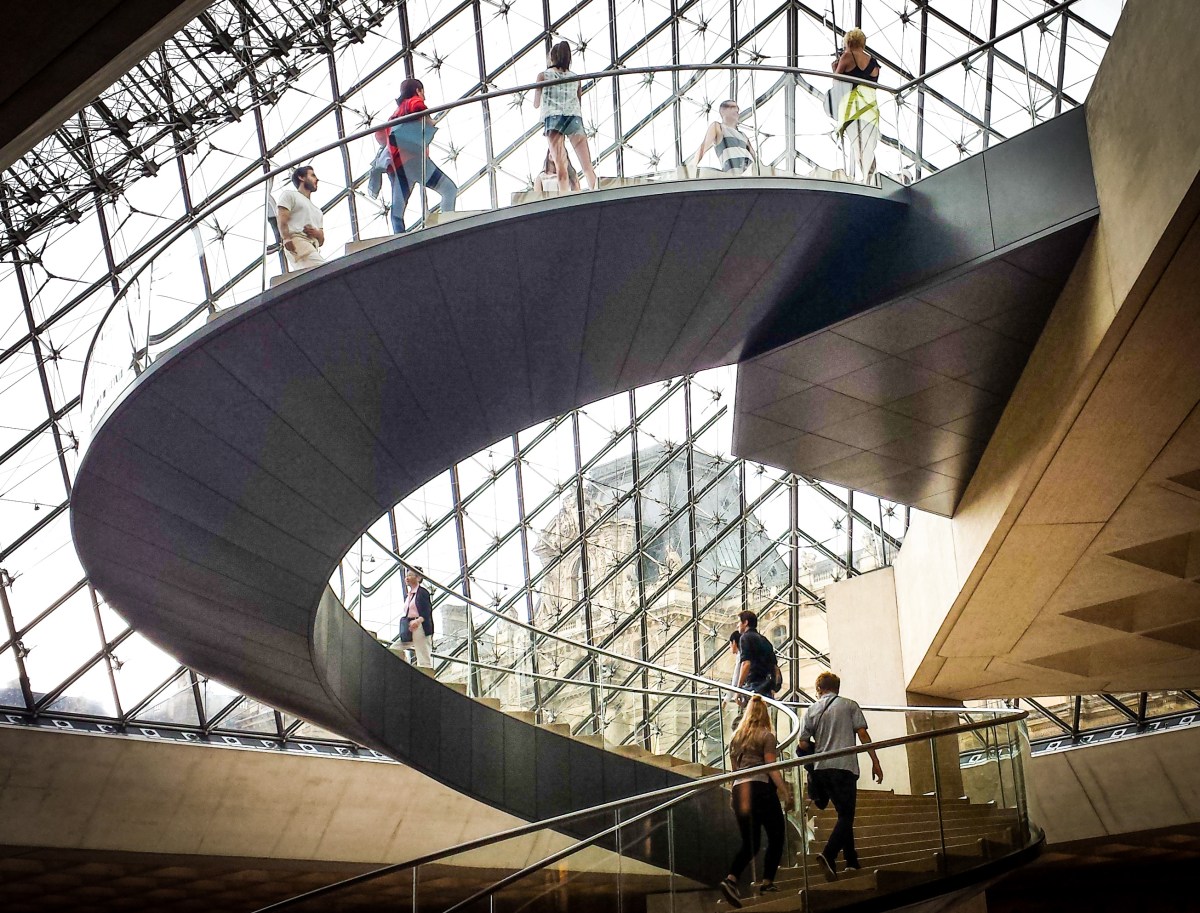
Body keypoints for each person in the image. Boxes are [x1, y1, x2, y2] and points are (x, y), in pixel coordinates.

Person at [797, 671, 883, 881]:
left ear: (819, 689)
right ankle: (829, 854)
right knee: (846, 816)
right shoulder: (849, 705)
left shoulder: (810, 710)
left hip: (821, 770)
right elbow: (862, 734)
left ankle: (851, 861)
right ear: (837, 687)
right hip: (844, 767)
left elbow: (802, 743)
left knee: (843, 814)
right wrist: (875, 761)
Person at [719, 694, 794, 907]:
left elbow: (734, 772)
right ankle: (767, 881)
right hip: (760, 788)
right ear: (765, 713)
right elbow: (769, 766)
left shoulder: (736, 737)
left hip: (740, 789)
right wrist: (785, 791)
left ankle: (731, 879)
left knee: (750, 842)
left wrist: (733, 795)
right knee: (777, 834)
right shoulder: (767, 735)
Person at [383, 78, 458, 232]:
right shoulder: (413, 102)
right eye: (422, 92)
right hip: (415, 160)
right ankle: (448, 225)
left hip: (397, 165)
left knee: (397, 210)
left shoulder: (394, 115)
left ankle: (399, 237)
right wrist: (429, 119)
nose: (424, 96)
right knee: (449, 189)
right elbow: (418, 106)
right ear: (418, 90)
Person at [533, 41, 597, 192]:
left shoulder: (543, 76)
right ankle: (596, 192)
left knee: (561, 167)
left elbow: (536, 104)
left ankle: (563, 199)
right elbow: (578, 102)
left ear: (552, 57)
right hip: (574, 117)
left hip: (553, 119)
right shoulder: (576, 78)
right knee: (587, 166)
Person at [831, 28, 881, 181]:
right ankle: (872, 175)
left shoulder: (847, 56)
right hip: (870, 108)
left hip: (853, 108)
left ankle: (870, 177)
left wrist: (834, 68)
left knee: (858, 144)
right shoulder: (873, 63)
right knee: (866, 144)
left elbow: (836, 80)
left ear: (849, 41)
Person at [275, 165, 325, 269]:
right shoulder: (290, 195)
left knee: (321, 271)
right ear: (301, 177)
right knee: (325, 270)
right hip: (298, 241)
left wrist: (316, 232)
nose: (317, 179)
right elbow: (282, 218)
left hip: (312, 246)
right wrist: (286, 238)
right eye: (312, 175)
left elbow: (321, 240)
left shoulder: (318, 211)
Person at [692, 100, 755, 175]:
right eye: (733, 107)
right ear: (723, 111)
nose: (737, 109)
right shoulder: (718, 127)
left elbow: (755, 157)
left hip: (751, 174)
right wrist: (691, 167)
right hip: (735, 176)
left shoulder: (743, 135)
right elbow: (704, 147)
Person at [398, 566, 434, 668]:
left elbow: (427, 610)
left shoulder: (422, 592)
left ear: (418, 578)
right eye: (406, 576)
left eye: (410, 575)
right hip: (409, 626)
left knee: (423, 657)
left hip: (420, 626)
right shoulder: (409, 595)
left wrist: (418, 621)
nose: (407, 578)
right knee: (395, 648)